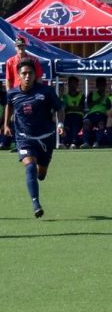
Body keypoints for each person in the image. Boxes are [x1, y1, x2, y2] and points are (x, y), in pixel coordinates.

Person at [3, 58, 63, 218]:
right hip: (24, 137)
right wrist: (7, 124)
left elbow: (60, 108)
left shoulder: (46, 91)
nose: (27, 76)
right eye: (24, 73)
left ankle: (42, 170)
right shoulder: (12, 93)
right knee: (30, 167)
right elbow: (9, 104)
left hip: (46, 138)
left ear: (35, 74)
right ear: (19, 76)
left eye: (30, 73)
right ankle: (36, 204)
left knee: (41, 173)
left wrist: (60, 124)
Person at [82, 76, 109, 148]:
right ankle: (86, 142)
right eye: (99, 84)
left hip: (102, 115)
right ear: (96, 85)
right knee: (86, 123)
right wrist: (100, 99)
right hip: (92, 114)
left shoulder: (109, 96)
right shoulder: (91, 94)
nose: (101, 86)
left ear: (105, 85)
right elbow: (89, 105)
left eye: (103, 84)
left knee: (101, 124)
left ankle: (97, 142)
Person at [61, 76, 85, 149]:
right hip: (68, 115)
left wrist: (70, 107)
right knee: (65, 125)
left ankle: (73, 142)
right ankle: (64, 142)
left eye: (74, 83)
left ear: (77, 84)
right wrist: (73, 107)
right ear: (68, 84)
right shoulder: (65, 96)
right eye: (71, 83)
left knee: (75, 124)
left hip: (78, 116)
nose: (72, 85)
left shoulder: (81, 95)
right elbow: (65, 108)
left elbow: (81, 108)